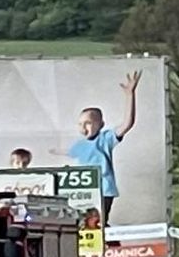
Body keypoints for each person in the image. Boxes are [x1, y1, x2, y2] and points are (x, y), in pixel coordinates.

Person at [52, 70, 141, 226]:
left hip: (103, 190)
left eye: (88, 123)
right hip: (85, 192)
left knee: (99, 223)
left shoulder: (105, 139)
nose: (83, 127)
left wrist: (130, 95)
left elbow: (128, 123)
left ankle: (111, 246)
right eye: (80, 124)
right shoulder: (79, 145)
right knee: (86, 223)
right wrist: (50, 150)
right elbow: (66, 152)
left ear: (100, 124)